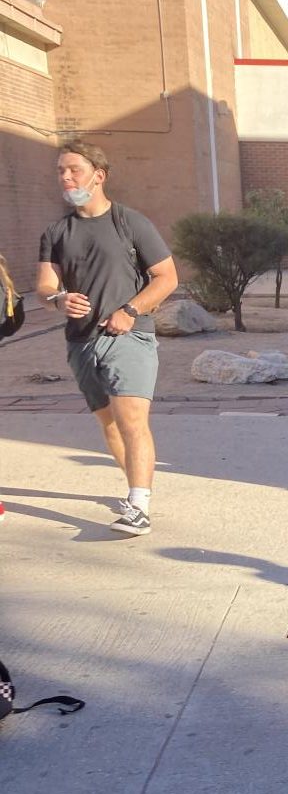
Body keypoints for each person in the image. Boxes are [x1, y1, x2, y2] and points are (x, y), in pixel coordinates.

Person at [36, 141, 178, 536]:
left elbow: (167, 277)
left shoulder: (130, 222)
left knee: (132, 422)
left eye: (74, 170)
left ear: (99, 175)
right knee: (110, 426)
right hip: (81, 341)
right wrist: (59, 299)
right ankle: (137, 486)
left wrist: (130, 311)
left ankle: (138, 504)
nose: (65, 178)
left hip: (129, 337)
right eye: (61, 171)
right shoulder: (56, 232)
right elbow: (45, 286)